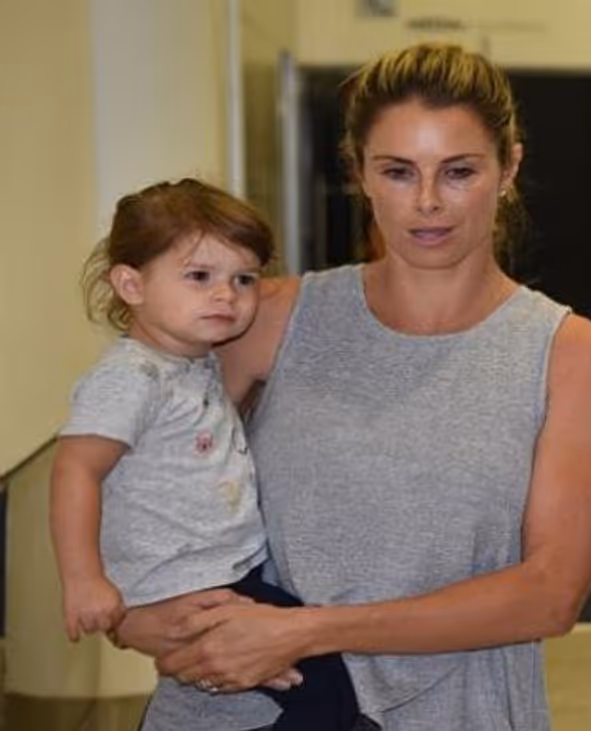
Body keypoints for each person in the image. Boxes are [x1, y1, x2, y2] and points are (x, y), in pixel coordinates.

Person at [110, 43, 591, 731]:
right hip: (235, 709)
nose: (427, 201)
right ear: (359, 172)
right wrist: (132, 617)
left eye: (459, 171)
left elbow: (549, 594)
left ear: (508, 168)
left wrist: (307, 631)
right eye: (397, 171)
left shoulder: (572, 354)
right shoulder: (269, 318)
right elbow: (130, 482)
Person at [49, 178, 359, 730]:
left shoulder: (195, 360)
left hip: (223, 570)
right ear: (131, 284)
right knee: (319, 677)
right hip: (190, 583)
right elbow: (76, 468)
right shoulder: (130, 377)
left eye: (244, 279)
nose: (226, 295)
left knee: (306, 678)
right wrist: (84, 578)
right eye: (199, 277)